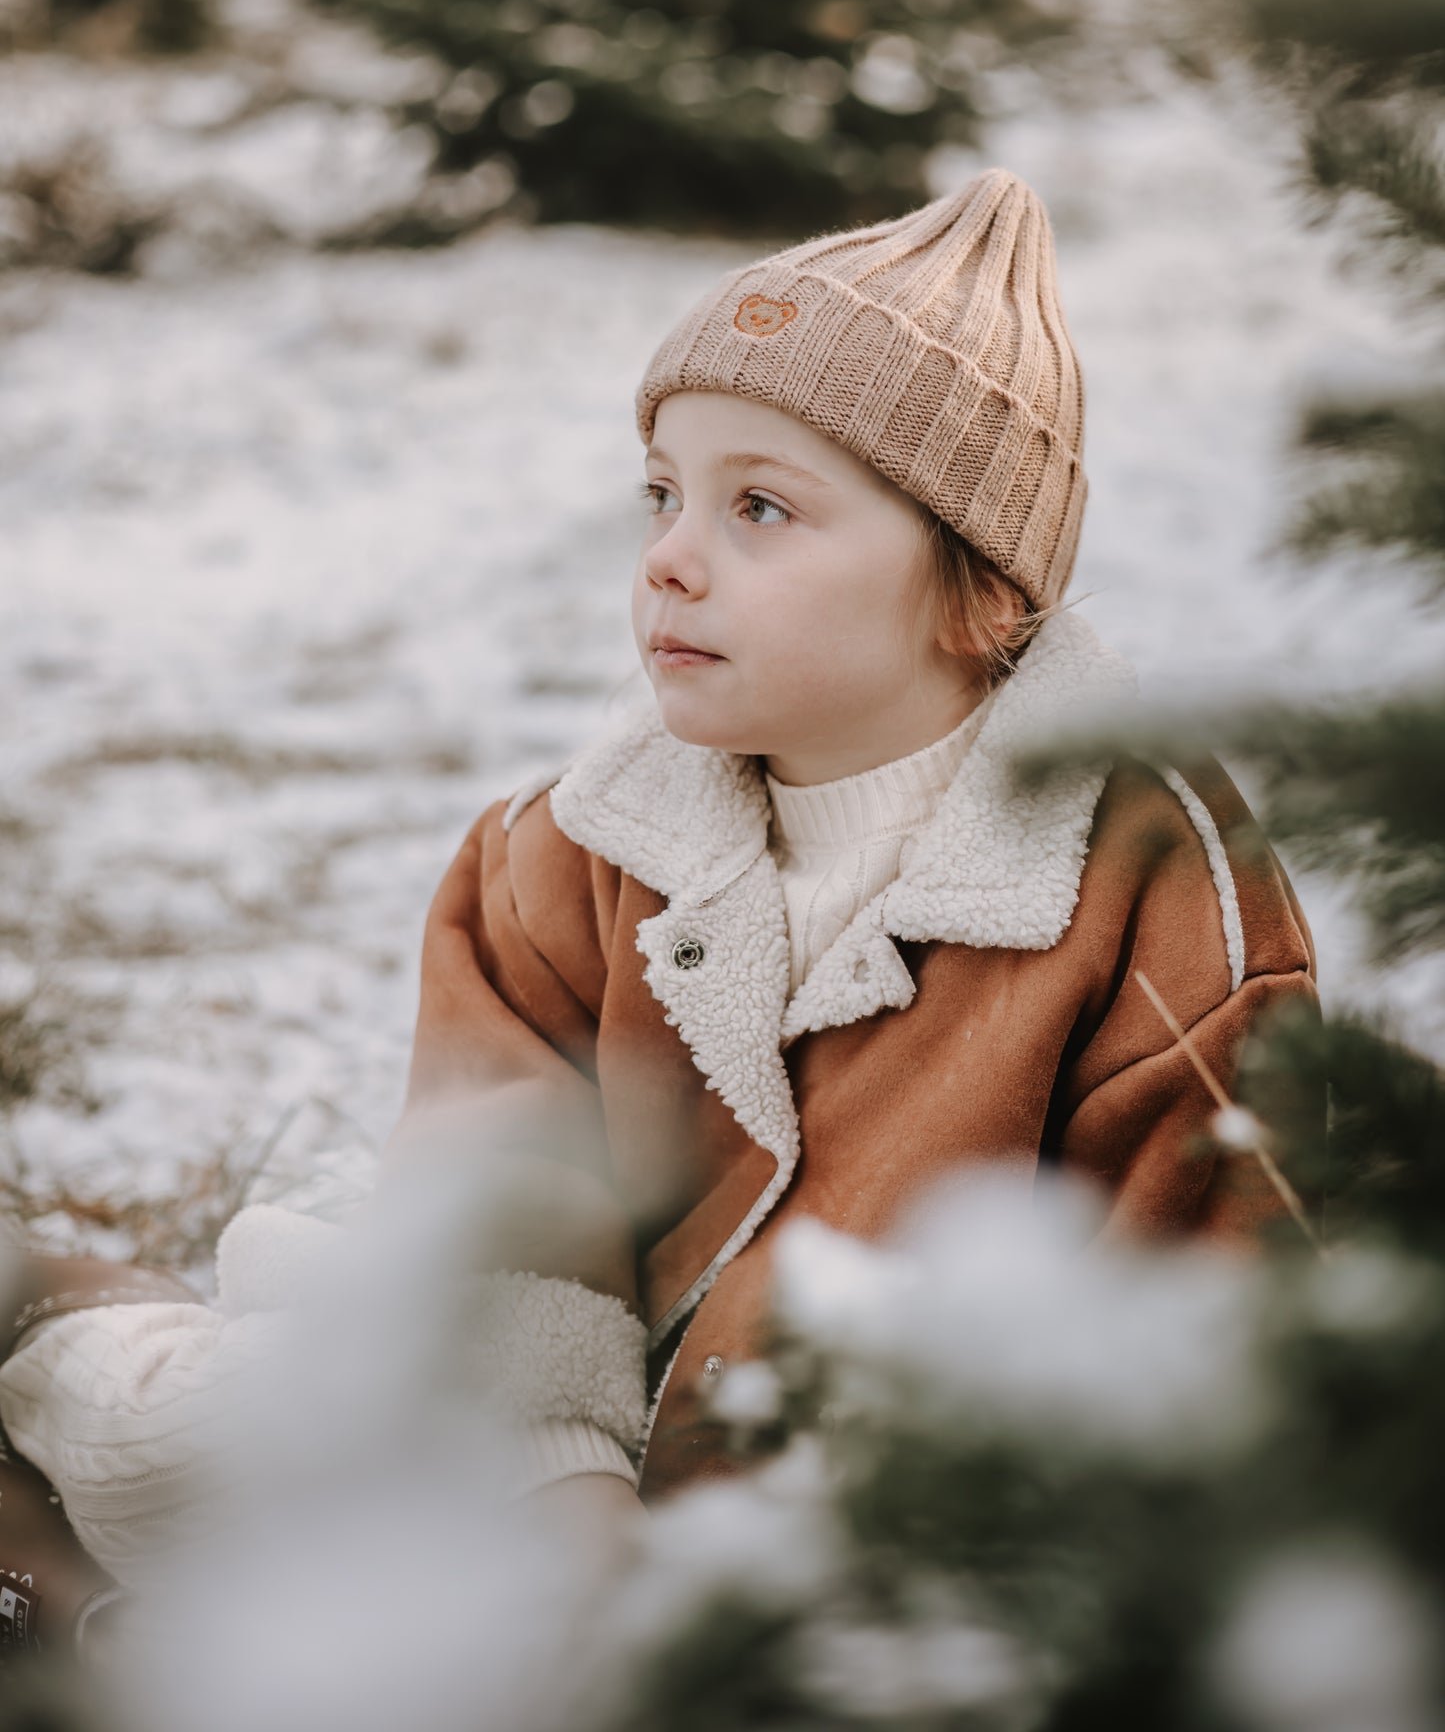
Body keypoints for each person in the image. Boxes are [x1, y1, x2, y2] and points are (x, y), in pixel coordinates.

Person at [0, 167, 1322, 1618]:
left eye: (760, 507)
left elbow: (1207, 1310)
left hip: (898, 1533)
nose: (670, 561)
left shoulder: (1141, 897)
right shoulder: (567, 854)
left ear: (978, 591)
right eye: (661, 495)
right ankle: (55, 1338)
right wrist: (563, 1492)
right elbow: (515, 1192)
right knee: (199, 1442)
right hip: (542, 1430)